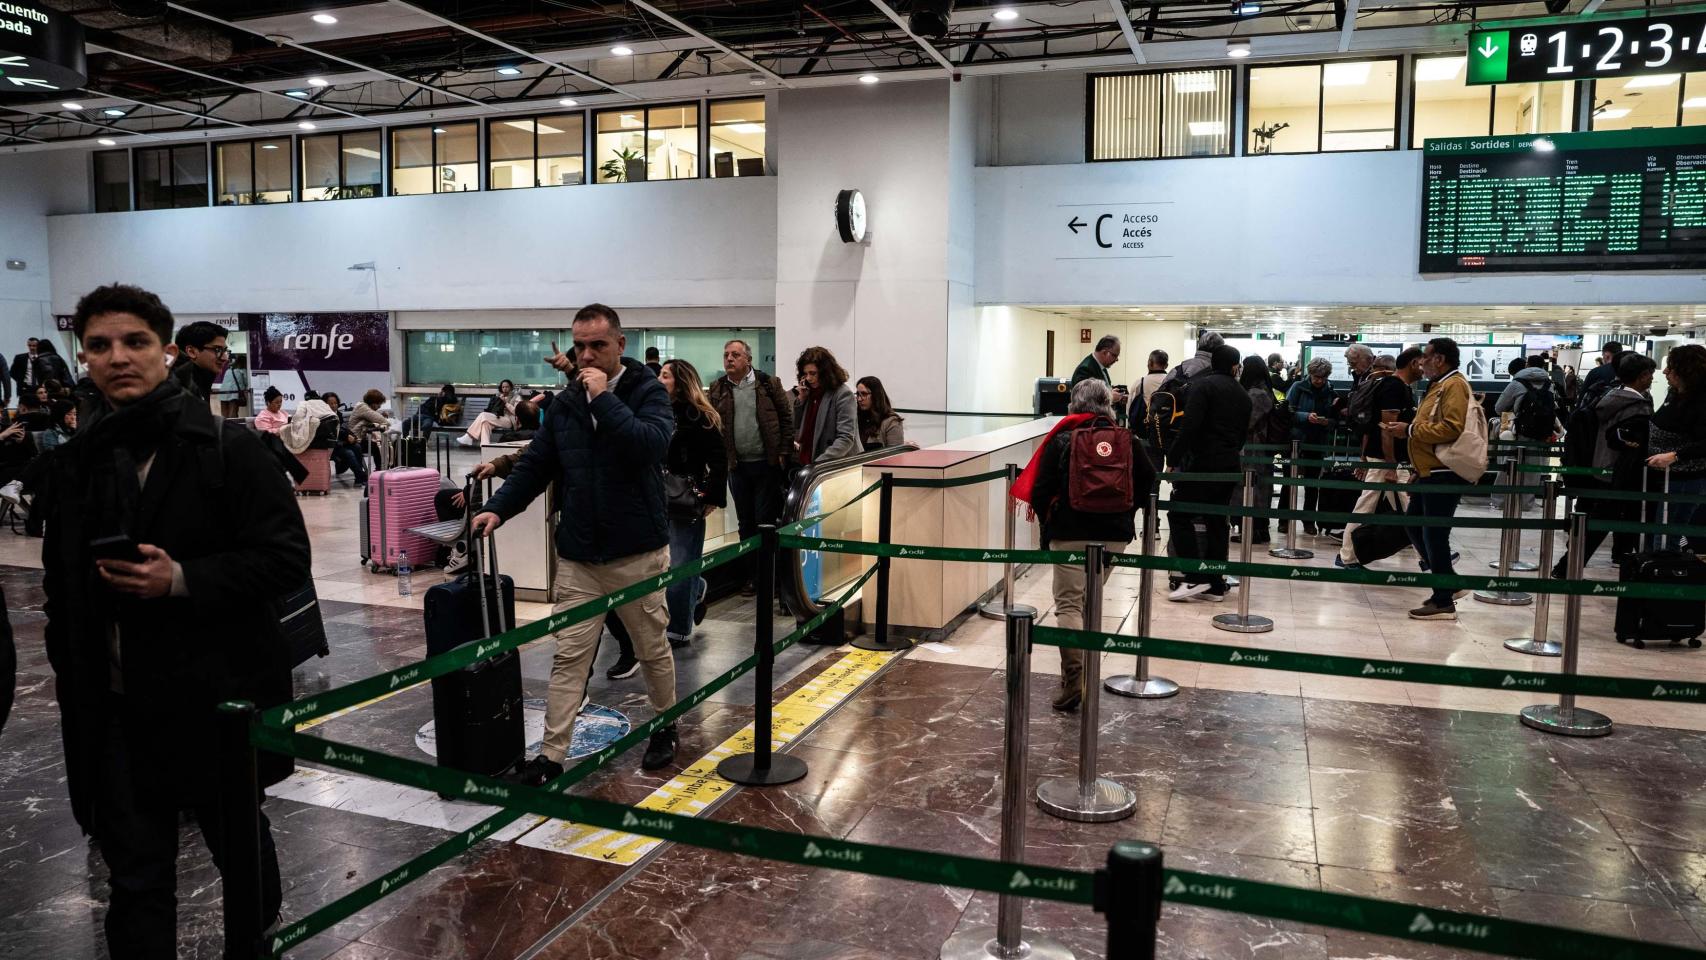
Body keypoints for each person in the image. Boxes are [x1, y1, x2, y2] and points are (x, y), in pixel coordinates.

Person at [37, 282, 309, 958]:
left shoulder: (227, 448)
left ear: (165, 351)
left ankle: (258, 940)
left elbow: (285, 559)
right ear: (83, 356)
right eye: (99, 345)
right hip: (116, 712)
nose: (116, 357)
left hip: (213, 702)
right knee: (135, 881)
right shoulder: (77, 464)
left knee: (240, 854)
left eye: (134, 342)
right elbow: (59, 588)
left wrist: (183, 579)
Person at [474, 303, 679, 784]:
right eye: (579, 345)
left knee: (652, 649)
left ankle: (666, 724)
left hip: (638, 554)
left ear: (620, 345)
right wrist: (497, 509)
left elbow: (648, 446)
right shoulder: (565, 403)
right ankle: (551, 756)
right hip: (580, 557)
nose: (586, 354)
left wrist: (605, 399)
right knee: (569, 657)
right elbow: (537, 465)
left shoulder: (647, 392)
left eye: (597, 345)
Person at [1021, 379, 1154, 711]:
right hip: (1113, 535)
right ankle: (1088, 670)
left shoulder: (1063, 438)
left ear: (1075, 404)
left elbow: (1040, 489)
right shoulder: (1127, 440)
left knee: (1069, 606)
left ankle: (1074, 679)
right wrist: (1127, 510)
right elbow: (1150, 480)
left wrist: (1051, 521)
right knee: (1090, 602)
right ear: (1107, 403)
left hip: (1070, 531)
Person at [1383, 337, 1473, 620]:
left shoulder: (1454, 385)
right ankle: (1448, 581)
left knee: (1434, 534)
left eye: (1426, 356)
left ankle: (1443, 598)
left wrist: (1409, 431)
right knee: (1414, 526)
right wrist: (1417, 469)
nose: (1421, 362)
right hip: (1429, 470)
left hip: (1444, 471)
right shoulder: (1440, 385)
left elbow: (1451, 427)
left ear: (1440, 359)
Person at [1554, 353, 1654, 576]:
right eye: (1650, 375)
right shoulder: (1636, 405)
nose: (1652, 379)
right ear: (1642, 376)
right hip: (1620, 471)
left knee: (1598, 518)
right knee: (1608, 520)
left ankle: (1572, 563)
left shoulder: (1608, 395)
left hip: (1599, 467)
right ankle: (1568, 566)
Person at [707, 339, 794, 596]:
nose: (729, 359)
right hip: (738, 467)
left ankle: (771, 577)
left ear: (748, 359)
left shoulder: (768, 384)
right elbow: (713, 426)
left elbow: (786, 419)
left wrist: (784, 451)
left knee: (765, 521)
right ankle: (753, 576)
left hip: (766, 465)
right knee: (745, 523)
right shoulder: (718, 388)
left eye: (735, 355)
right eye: (726, 355)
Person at [1168, 344, 1250, 602]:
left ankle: (1194, 577)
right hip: (1228, 466)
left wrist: (1173, 457)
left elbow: (1190, 426)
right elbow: (1241, 439)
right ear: (1235, 365)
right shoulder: (1243, 395)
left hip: (1203, 464)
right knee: (1217, 522)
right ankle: (1215, 584)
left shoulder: (1204, 387)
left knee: (1179, 514)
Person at [659, 359, 728, 649]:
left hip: (687, 498)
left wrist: (713, 497)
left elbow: (719, 459)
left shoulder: (700, 416)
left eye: (665, 375)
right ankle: (697, 588)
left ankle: (679, 629)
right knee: (661, 565)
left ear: (680, 381)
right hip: (656, 495)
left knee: (682, 563)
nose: (659, 379)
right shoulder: (655, 412)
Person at [1338, 349, 1422, 567]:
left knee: (1404, 505)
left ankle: (1428, 556)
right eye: (1421, 364)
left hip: (1388, 459)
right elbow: (1387, 429)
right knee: (1371, 505)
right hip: (1387, 459)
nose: (1424, 369)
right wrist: (1391, 465)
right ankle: (1347, 556)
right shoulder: (1394, 387)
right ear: (1413, 364)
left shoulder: (1396, 386)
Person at [1645, 344, 1706, 552]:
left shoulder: (1700, 400)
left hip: (1685, 478)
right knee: (1662, 533)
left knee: (1668, 537)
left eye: (1670, 367)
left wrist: (1675, 456)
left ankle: (1665, 579)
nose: (1665, 372)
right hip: (1666, 477)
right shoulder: (1677, 394)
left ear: (1687, 371)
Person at [1285, 357, 1338, 532]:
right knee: (1288, 481)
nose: (1319, 381)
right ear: (1310, 373)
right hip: (1296, 440)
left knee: (1312, 483)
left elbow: (1335, 418)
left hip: (1318, 441)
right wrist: (1305, 416)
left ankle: (1308, 520)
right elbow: (1287, 412)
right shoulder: (1298, 387)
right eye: (1316, 377)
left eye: (1323, 378)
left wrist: (1327, 422)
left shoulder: (1330, 391)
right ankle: (1284, 521)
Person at [1235, 356, 1278, 545]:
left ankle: (1253, 531)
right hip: (1259, 449)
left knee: (1252, 489)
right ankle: (1257, 530)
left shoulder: (1256, 393)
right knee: (1259, 489)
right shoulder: (1265, 389)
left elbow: (1247, 422)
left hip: (1252, 450)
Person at [793, 346, 859, 466]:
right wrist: (801, 400)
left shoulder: (843, 393)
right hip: (810, 461)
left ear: (825, 373)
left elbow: (846, 438)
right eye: (805, 374)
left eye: (813, 373)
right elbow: (797, 426)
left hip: (835, 465)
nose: (808, 378)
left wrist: (819, 465)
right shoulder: (809, 393)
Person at [168, 321, 228, 403]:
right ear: (191, 352)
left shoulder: (201, 376)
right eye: (217, 350)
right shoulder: (176, 385)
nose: (225, 358)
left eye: (225, 350)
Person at [319, 391, 367, 487]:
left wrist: (352, 437)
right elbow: (333, 430)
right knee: (349, 453)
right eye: (330, 403)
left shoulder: (339, 414)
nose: (333, 406)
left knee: (357, 447)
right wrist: (346, 436)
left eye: (335, 403)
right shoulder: (322, 416)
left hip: (340, 444)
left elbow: (343, 429)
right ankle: (361, 476)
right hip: (330, 445)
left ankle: (359, 478)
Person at [456, 379, 519, 447]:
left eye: (507, 387)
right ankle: (485, 446)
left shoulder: (516, 397)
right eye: (503, 387)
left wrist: (506, 403)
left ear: (511, 387)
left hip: (509, 420)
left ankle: (469, 436)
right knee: (485, 423)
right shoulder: (499, 396)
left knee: (483, 415)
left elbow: (516, 412)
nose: (505, 389)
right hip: (498, 417)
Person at [855, 376, 905, 451]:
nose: (859, 399)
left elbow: (895, 456)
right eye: (858, 394)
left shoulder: (891, 422)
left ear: (876, 395)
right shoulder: (856, 418)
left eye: (864, 394)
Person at [215, 353, 250, 419]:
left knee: (224, 414)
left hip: (223, 393)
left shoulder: (228, 370)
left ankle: (223, 427)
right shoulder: (242, 371)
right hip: (233, 394)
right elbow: (247, 383)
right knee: (232, 413)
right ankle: (231, 427)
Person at [8, 337, 36, 405]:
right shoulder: (20, 358)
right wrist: (21, 381)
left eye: (34, 346)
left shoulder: (42, 358)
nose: (31, 348)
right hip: (25, 388)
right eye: (29, 345)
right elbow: (12, 372)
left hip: (39, 387)